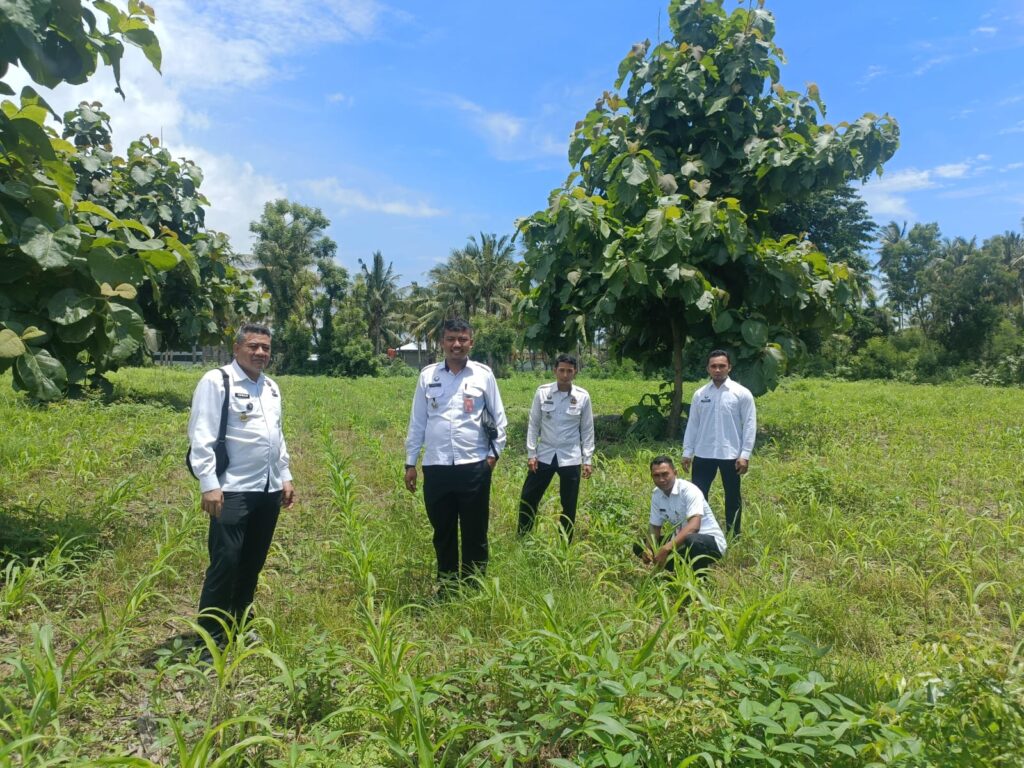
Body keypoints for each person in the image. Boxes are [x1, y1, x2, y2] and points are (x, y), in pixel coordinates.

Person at [187, 323, 295, 637]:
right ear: (236, 349)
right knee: (226, 563)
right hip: (232, 490)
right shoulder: (217, 381)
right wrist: (209, 483)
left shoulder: (271, 387)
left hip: (268, 489)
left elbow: (278, 436)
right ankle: (210, 635)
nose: (260, 353)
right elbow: (201, 434)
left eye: (266, 348)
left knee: (252, 562)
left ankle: (240, 622)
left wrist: (285, 476)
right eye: (253, 346)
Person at [404, 318, 507, 593]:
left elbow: (500, 419)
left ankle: (474, 587)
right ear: (442, 343)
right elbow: (418, 421)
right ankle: (448, 586)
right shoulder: (428, 376)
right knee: (443, 530)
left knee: (475, 531)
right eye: (451, 339)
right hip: (436, 466)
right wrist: (410, 463)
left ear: (471, 342)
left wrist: (492, 457)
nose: (456, 344)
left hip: (474, 465)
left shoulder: (483, 375)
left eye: (462, 339)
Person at [517, 353, 595, 540]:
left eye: (569, 371)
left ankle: (565, 541)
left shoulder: (582, 397)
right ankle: (522, 536)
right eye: (561, 370)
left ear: (575, 372)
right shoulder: (543, 392)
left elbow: (587, 429)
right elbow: (534, 424)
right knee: (529, 497)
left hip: (570, 456)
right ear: (555, 371)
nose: (565, 375)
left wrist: (587, 459)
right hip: (544, 454)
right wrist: (531, 453)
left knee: (569, 503)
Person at [681, 349, 756, 538]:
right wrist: (687, 452)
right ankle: (700, 533)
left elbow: (749, 425)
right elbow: (693, 424)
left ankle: (733, 535)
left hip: (731, 455)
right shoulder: (700, 394)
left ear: (729, 367)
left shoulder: (741, 393)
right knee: (698, 497)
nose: (717, 370)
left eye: (722, 366)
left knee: (732, 497)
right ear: (708, 368)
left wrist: (745, 455)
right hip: (703, 454)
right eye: (713, 366)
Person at [634, 455, 726, 572]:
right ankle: (679, 571)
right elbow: (655, 527)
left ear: (675, 472)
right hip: (682, 542)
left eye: (665, 474)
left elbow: (694, 527)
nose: (661, 479)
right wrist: (648, 548)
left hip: (709, 544)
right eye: (656, 476)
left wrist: (666, 548)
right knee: (640, 545)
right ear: (651, 477)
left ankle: (701, 580)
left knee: (692, 540)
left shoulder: (689, 491)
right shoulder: (657, 495)